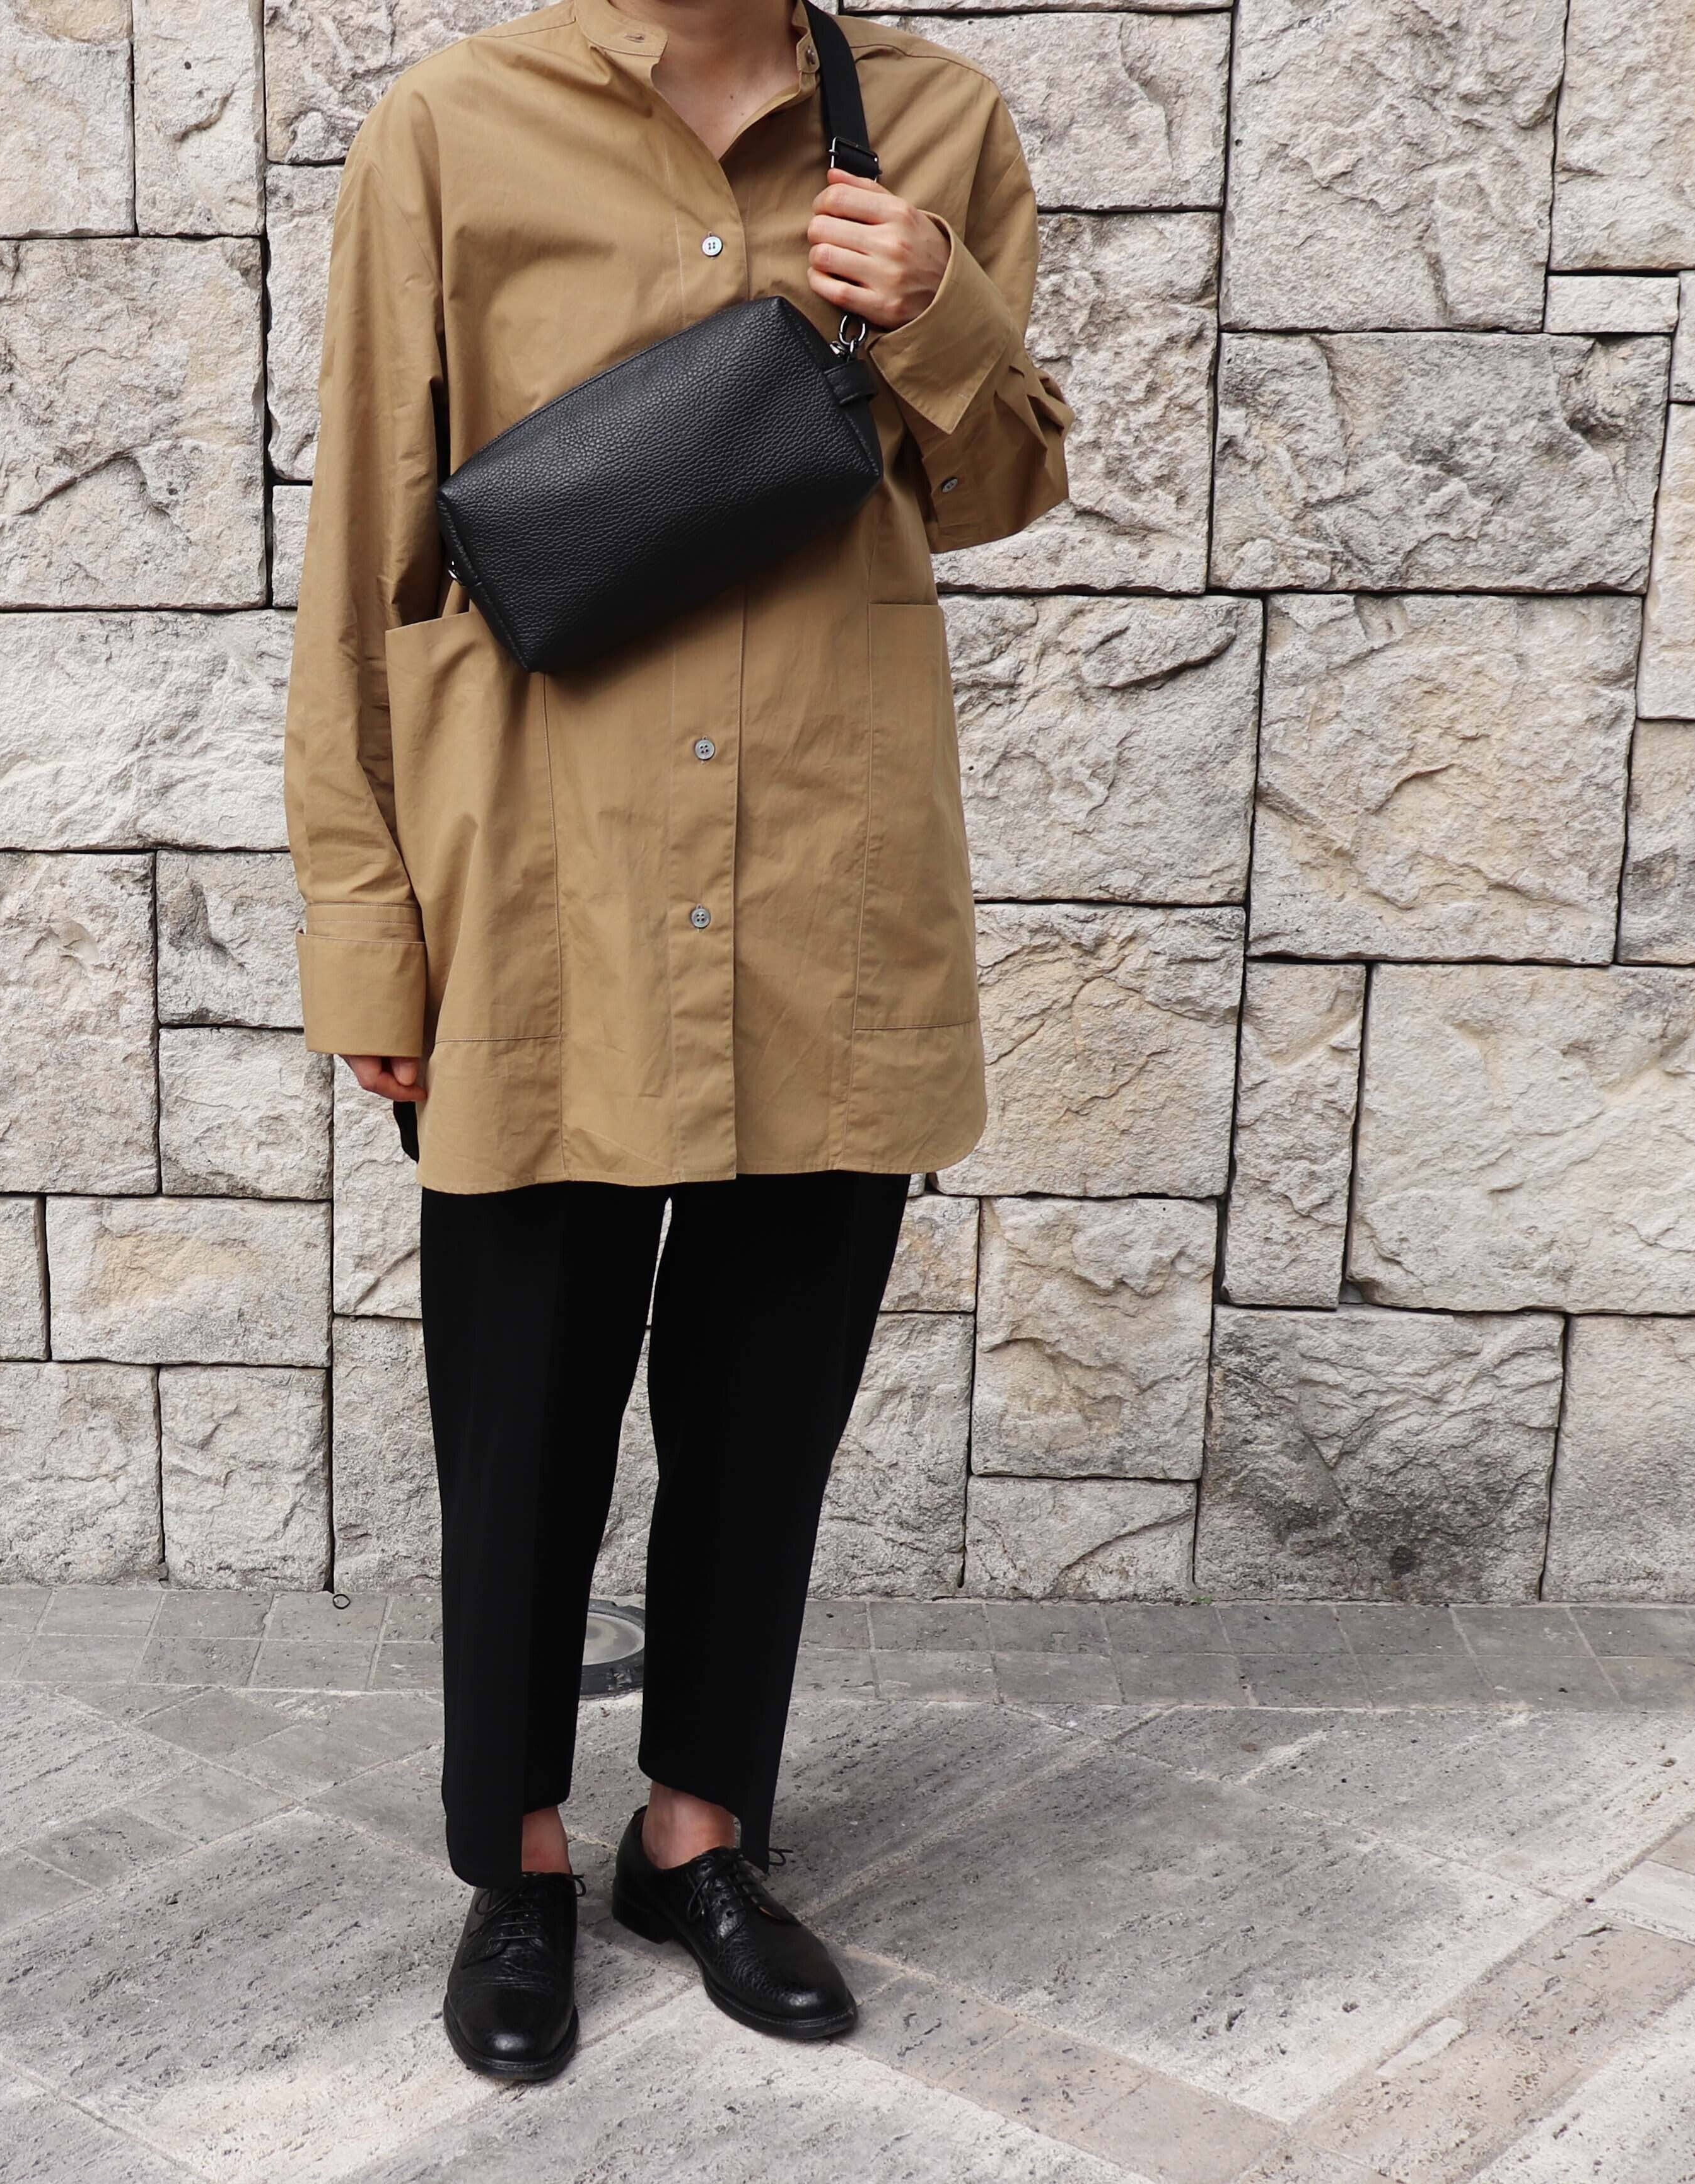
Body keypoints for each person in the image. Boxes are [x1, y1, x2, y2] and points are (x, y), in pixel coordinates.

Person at [282, 0, 1071, 2084]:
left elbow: (996, 487)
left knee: (767, 1400)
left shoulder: (934, 123)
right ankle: (518, 1858)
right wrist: (367, 934)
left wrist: (939, 307)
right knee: (522, 1403)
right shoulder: (453, 129)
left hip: (829, 879)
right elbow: (364, 551)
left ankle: (697, 1835)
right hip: (542, 887)